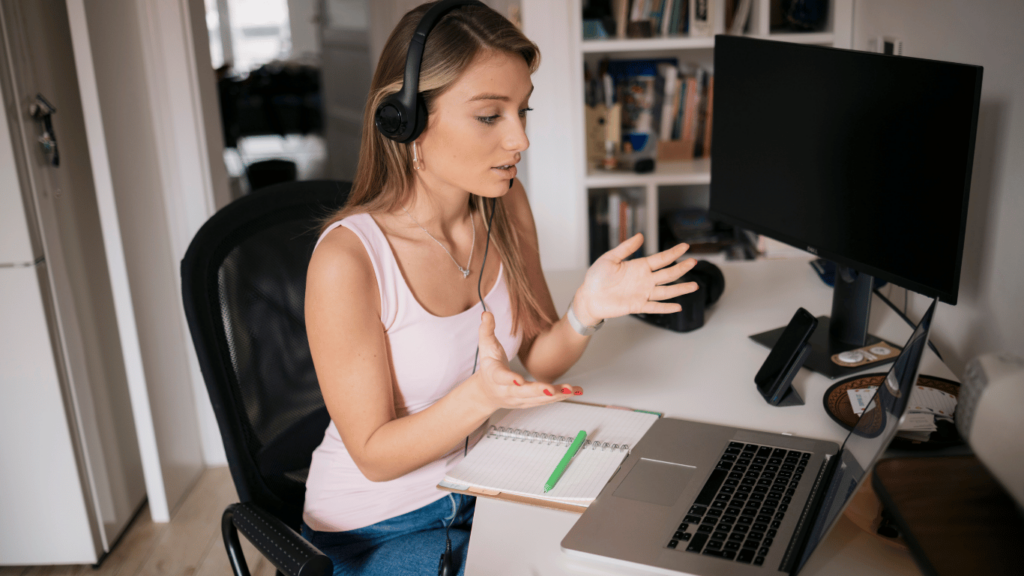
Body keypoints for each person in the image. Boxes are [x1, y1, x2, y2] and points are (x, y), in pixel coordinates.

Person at [301, 2, 698, 574]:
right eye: (490, 116)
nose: (520, 140)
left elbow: (535, 365)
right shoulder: (349, 260)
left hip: (487, 487)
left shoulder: (503, 206)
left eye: (523, 111)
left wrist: (585, 313)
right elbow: (374, 456)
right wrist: (481, 397)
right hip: (379, 526)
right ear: (405, 119)